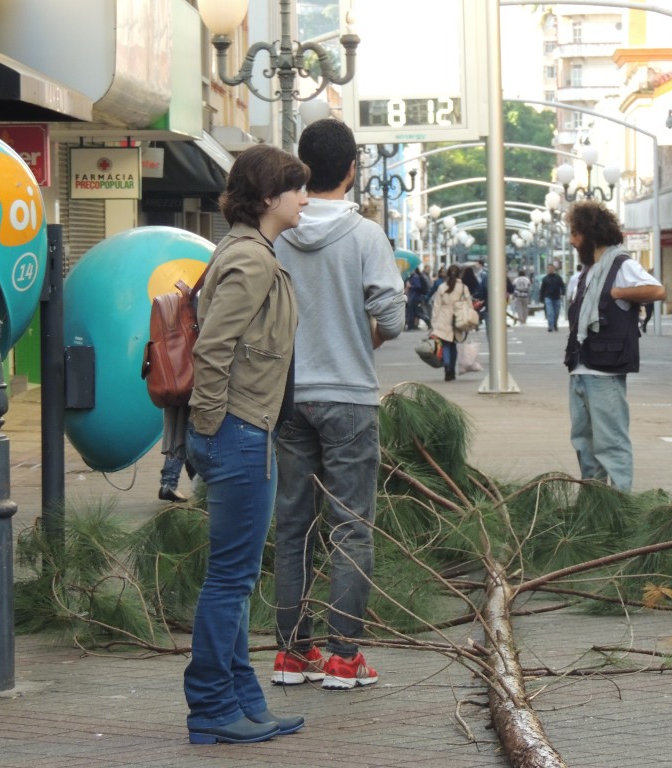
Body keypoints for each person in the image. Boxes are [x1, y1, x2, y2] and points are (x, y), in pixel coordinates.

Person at [271, 118, 406, 692]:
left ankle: (291, 655)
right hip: (349, 398)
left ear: (302, 170)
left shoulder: (275, 234)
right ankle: (344, 657)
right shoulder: (365, 236)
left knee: (293, 526)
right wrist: (359, 335)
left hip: (287, 398)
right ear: (353, 170)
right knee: (350, 527)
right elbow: (394, 319)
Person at [183, 143, 308, 745]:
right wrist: (208, 430)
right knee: (231, 579)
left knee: (234, 577)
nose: (305, 198)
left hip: (241, 428)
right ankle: (210, 706)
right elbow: (212, 348)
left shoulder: (246, 251)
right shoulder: (251, 260)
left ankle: (242, 700)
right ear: (267, 198)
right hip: (237, 430)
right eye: (296, 188)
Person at [563, 200, 666, 492]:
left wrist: (618, 292)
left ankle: (619, 508)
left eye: (575, 233)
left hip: (604, 372)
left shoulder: (621, 265)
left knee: (611, 443)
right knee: (583, 443)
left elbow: (657, 290)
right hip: (580, 367)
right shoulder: (586, 272)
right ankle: (594, 505)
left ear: (590, 233)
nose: (571, 240)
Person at [430, 263, 471, 381]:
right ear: (459, 274)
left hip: (443, 317)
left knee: (445, 344)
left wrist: (434, 322)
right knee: (454, 345)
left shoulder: (442, 287)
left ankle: (447, 366)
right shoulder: (463, 287)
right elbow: (469, 304)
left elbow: (436, 306)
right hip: (458, 318)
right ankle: (452, 369)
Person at [539, 263, 565, 332]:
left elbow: (562, 285)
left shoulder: (558, 278)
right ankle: (550, 326)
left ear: (554, 269)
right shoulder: (545, 279)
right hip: (548, 297)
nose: (550, 269)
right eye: (549, 268)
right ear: (547, 269)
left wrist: (563, 292)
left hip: (557, 297)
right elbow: (542, 289)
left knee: (556, 312)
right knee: (550, 312)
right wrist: (541, 298)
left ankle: (555, 324)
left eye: (552, 268)